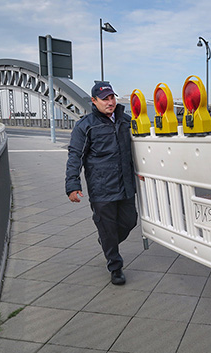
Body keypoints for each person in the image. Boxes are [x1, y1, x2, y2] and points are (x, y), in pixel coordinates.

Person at [65, 81, 137, 285]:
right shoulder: (85, 126)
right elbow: (75, 156)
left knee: (130, 221)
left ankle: (107, 241)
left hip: (125, 185)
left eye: (112, 97)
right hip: (101, 188)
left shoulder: (125, 120)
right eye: (105, 99)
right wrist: (72, 184)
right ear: (94, 101)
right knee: (107, 228)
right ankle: (115, 267)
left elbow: (139, 148)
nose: (110, 102)